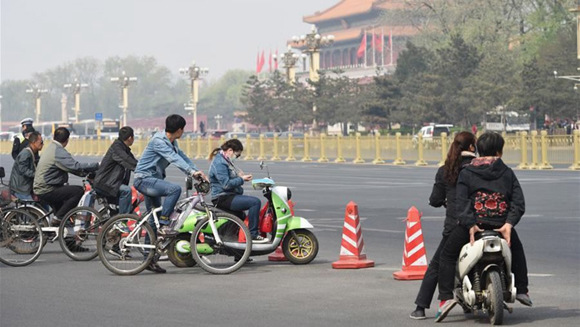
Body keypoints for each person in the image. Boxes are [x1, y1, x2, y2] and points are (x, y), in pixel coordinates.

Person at [435, 132, 531, 322]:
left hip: (473, 227)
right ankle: (522, 290)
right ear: (499, 152)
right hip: (499, 225)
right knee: (517, 250)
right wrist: (508, 224)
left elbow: (460, 202)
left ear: (479, 150)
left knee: (447, 255)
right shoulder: (507, 173)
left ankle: (445, 298)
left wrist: (470, 224)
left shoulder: (467, 172)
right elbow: (518, 202)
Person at [409, 131, 476, 320]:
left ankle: (421, 307)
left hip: (455, 225)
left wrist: (444, 200)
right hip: (481, 223)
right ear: (471, 147)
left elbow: (435, 199)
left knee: (437, 264)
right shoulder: (478, 167)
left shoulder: (446, 170)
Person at [133, 114, 205, 273]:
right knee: (175, 189)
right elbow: (173, 158)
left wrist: (196, 171)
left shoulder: (172, 141)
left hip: (153, 180)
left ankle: (148, 260)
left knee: (153, 220)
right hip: (144, 179)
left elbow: (182, 157)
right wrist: (192, 173)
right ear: (179, 130)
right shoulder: (159, 141)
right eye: (183, 129)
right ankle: (165, 224)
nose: (183, 132)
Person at [33, 127, 99, 227]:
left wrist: (85, 174)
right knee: (78, 191)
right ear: (67, 140)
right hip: (46, 189)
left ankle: (65, 236)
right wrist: (97, 165)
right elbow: (75, 166)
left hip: (46, 186)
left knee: (66, 219)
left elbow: (69, 168)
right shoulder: (58, 151)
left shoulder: (52, 147)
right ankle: (57, 218)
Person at [208, 139, 268, 244]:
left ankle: (240, 254)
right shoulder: (220, 163)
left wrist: (239, 176)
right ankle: (253, 234)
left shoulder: (225, 159)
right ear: (230, 150)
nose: (237, 157)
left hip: (229, 195)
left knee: (242, 219)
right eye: (238, 155)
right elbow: (226, 184)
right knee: (255, 202)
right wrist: (242, 179)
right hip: (222, 197)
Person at [93, 126, 138, 215]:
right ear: (130, 138)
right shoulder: (117, 149)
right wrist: (144, 171)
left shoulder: (123, 148)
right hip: (105, 183)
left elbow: (134, 161)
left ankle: (116, 218)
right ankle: (122, 221)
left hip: (111, 184)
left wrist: (147, 168)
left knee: (128, 204)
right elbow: (128, 161)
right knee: (126, 191)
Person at [9, 131, 44, 201]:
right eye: (41, 142)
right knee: (32, 206)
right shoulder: (26, 153)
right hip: (21, 189)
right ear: (34, 142)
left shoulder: (32, 153)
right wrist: (37, 174)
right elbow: (23, 170)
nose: (43, 144)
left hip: (26, 187)